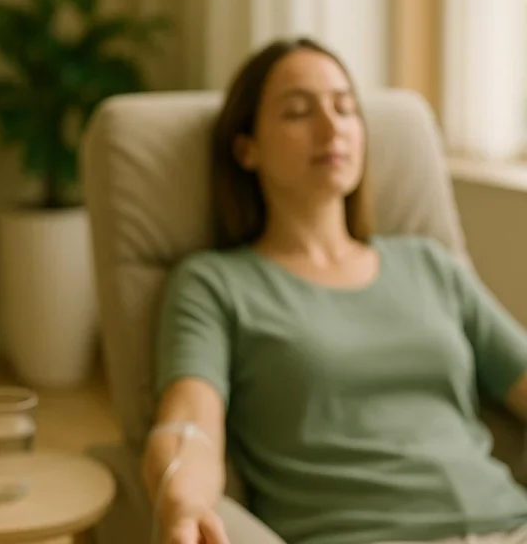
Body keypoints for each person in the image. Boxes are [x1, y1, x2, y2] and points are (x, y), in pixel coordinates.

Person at [142, 38, 527, 544]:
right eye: (299, 111)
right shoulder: (215, 283)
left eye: (345, 108)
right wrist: (181, 502)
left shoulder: (429, 263)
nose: (332, 128)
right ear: (246, 148)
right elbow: (190, 421)